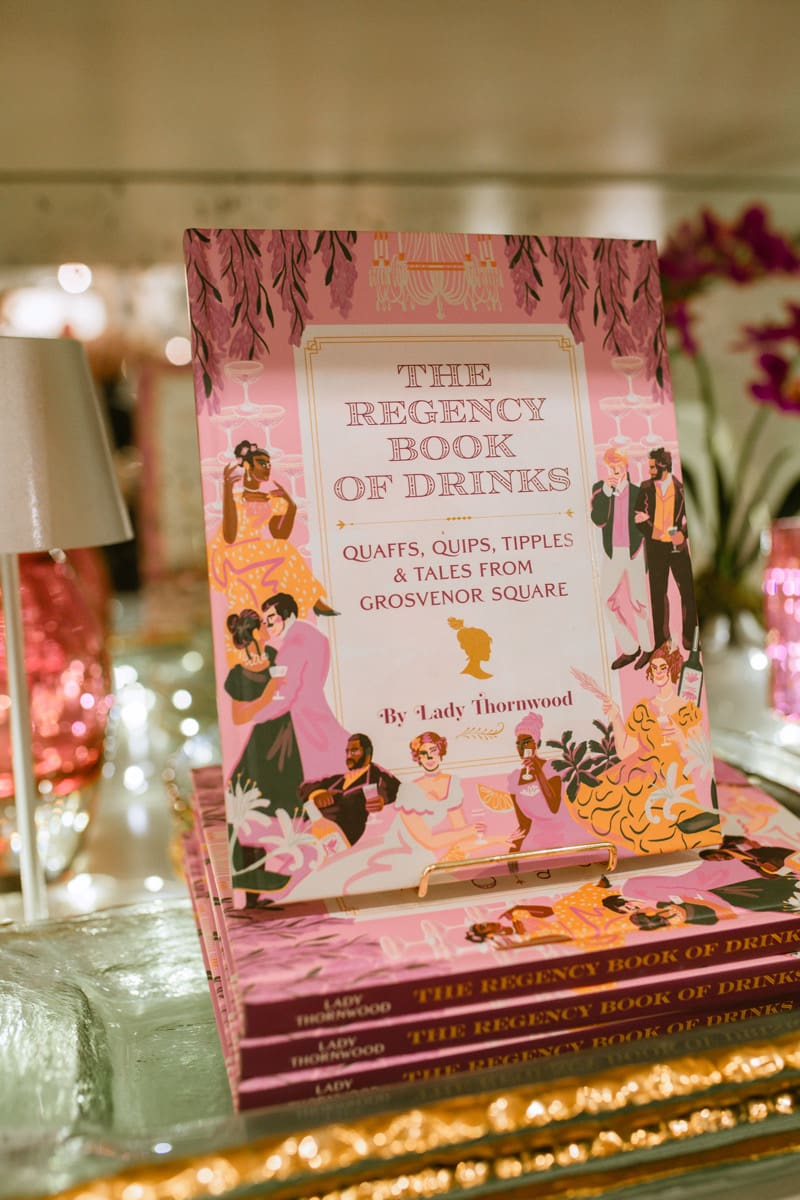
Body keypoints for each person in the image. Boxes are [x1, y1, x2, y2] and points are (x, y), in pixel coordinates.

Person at [568, 641, 720, 855]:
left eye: (663, 667)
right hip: (644, 771)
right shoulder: (643, 708)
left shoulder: (687, 709)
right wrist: (616, 717)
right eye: (654, 667)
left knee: (667, 817)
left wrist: (679, 737)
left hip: (676, 775)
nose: (658, 672)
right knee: (613, 802)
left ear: (672, 669)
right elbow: (625, 752)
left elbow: (699, 756)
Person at [209, 439, 335, 625]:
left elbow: (280, 535)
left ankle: (299, 609)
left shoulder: (268, 498)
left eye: (269, 464)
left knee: (285, 550)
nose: (267, 468)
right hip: (230, 553)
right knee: (286, 550)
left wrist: (291, 506)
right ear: (247, 465)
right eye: (262, 463)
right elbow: (229, 537)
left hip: (255, 550)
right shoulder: (234, 497)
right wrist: (227, 490)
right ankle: (313, 601)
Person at [590, 447, 653, 670]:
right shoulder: (600, 490)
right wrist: (606, 493)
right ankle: (630, 647)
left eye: (617, 466)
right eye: (610, 467)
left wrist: (646, 520)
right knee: (606, 600)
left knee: (638, 602)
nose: (614, 470)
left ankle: (648, 648)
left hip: (634, 552)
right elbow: (598, 520)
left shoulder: (639, 492)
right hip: (613, 553)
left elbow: (652, 523)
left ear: (626, 466)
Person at [634, 446, 698, 653]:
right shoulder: (645, 487)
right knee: (658, 595)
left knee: (688, 592)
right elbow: (638, 517)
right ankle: (662, 641)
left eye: (653, 467)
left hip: (678, 546)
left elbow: (692, 518)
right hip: (656, 549)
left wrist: (683, 534)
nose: (650, 470)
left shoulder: (681, 489)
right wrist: (655, 531)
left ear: (664, 466)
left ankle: (690, 638)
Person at [298, 732, 400, 848]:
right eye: (347, 752)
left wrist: (382, 800)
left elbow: (399, 790)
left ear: (368, 753)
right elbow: (303, 788)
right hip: (313, 836)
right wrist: (317, 794)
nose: (349, 756)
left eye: (354, 751)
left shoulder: (377, 776)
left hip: (342, 843)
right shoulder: (338, 779)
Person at [505, 714, 572, 858]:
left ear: (537, 743)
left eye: (527, 742)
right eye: (518, 744)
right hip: (536, 838)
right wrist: (515, 846)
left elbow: (554, 806)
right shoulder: (515, 779)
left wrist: (539, 772)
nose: (522, 748)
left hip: (564, 834)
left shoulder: (551, 767)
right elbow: (524, 824)